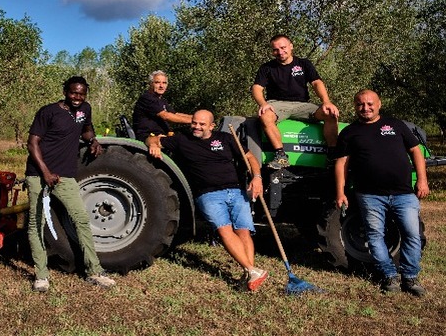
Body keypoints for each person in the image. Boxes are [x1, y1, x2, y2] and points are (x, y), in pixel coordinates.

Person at [146, 110, 268, 291]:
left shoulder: (226, 138)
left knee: (244, 232)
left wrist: (257, 177)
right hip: (208, 194)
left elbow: (249, 157)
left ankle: (249, 275)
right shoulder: (181, 139)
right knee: (225, 231)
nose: (196, 127)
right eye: (194, 123)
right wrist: (153, 144)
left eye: (202, 124)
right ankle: (251, 269)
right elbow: (151, 139)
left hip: (236, 191)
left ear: (211, 126)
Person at [334, 89, 430, 297]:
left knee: (412, 235)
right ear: (355, 106)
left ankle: (410, 277)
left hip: (403, 194)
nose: (365, 108)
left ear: (379, 104)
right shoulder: (349, 132)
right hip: (369, 195)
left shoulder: (396, 125)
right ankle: (389, 276)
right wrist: (340, 192)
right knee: (375, 236)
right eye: (360, 104)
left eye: (370, 104)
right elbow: (341, 163)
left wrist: (422, 179)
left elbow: (415, 151)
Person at [25, 76, 115, 292]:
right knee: (36, 223)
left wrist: (93, 140)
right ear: (65, 91)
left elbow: (85, 129)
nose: (78, 97)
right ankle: (41, 275)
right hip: (39, 174)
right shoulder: (48, 112)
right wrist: (45, 173)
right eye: (74, 93)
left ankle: (94, 271)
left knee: (81, 220)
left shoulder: (85, 108)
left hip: (66, 176)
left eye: (82, 93)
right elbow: (32, 143)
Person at [251, 34, 339, 169]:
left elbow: (316, 83)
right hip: (277, 104)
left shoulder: (304, 63)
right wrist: (263, 104)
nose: (280, 52)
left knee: (330, 113)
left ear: (291, 46)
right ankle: (280, 156)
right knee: (265, 116)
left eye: (283, 47)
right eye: (276, 49)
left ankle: (332, 156)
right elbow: (257, 88)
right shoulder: (266, 68)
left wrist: (326, 101)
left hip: (303, 105)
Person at [132, 70, 193, 141]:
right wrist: (195, 122)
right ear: (151, 84)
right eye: (157, 82)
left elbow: (175, 114)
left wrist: (197, 117)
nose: (161, 86)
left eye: (164, 83)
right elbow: (166, 116)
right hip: (149, 136)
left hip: (162, 134)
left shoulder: (161, 100)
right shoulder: (147, 98)